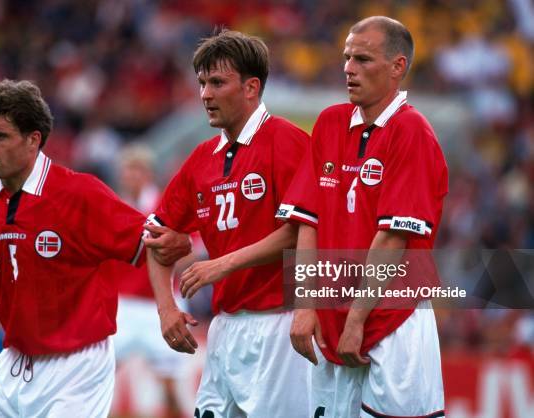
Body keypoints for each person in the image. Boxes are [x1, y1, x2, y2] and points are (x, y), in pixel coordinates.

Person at [0, 79, 190, 418]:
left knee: (170, 388)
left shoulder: (81, 193)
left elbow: (157, 245)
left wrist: (167, 309)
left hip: (76, 368)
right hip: (14, 364)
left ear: (33, 140)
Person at [279, 16, 448, 418]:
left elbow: (393, 238)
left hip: (392, 321)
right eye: (346, 58)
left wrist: (357, 320)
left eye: (363, 59)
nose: (349, 69)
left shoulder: (412, 132)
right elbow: (308, 221)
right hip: (330, 323)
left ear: (397, 67)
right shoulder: (329, 122)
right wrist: (305, 305)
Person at [143, 30, 311, 417]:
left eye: (217, 82)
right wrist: (167, 309)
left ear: (252, 87)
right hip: (225, 328)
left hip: (281, 327)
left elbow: (302, 228)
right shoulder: (202, 158)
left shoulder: (288, 142)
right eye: (202, 83)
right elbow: (156, 238)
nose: (205, 94)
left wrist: (222, 263)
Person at [113, 143, 187, 418]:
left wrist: (169, 262)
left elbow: (192, 247)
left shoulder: (166, 206)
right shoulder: (116, 208)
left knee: (168, 386)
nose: (130, 176)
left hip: (162, 305)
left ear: (148, 174)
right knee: (101, 380)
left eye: (136, 170)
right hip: (124, 305)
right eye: (126, 170)